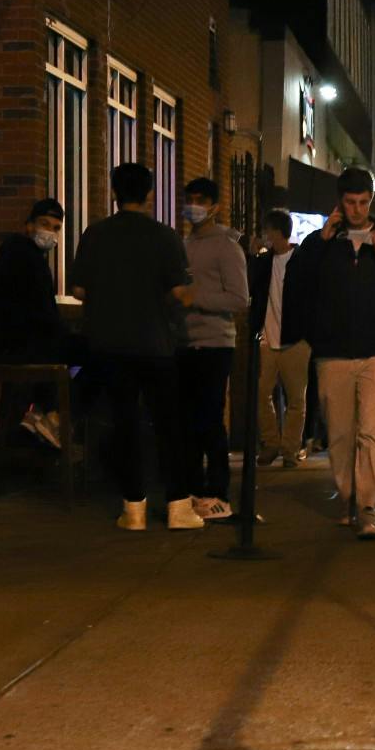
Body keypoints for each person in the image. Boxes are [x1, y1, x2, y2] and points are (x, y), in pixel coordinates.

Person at [70, 162, 201, 531]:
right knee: (167, 424)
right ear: (149, 195)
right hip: (156, 344)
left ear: (114, 192)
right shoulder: (165, 237)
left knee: (124, 423)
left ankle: (133, 509)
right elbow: (181, 293)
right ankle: (178, 506)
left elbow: (78, 290)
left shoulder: (95, 235)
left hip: (109, 344)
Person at [291, 167, 375, 540]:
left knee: (373, 431)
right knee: (341, 433)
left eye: (363, 202)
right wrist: (321, 241)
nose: (357, 209)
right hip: (333, 352)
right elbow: (297, 282)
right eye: (350, 202)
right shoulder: (322, 241)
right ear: (340, 201)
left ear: (371, 201)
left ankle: (367, 506)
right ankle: (350, 498)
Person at [0, 198, 86, 450]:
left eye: (55, 228)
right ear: (29, 226)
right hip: (21, 347)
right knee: (92, 355)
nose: (50, 232)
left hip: (10, 343)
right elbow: (44, 317)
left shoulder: (14, 255)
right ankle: (54, 416)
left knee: (73, 354)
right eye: (44, 224)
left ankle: (40, 413)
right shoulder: (30, 261)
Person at [177, 178, 249, 521]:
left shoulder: (226, 246)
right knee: (187, 421)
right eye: (190, 199)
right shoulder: (182, 244)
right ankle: (192, 489)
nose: (194, 206)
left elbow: (239, 298)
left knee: (209, 419)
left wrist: (196, 298)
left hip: (215, 343)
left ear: (215, 206)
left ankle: (218, 492)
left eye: (201, 200)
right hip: (183, 342)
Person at [249, 209, 314, 468]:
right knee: (261, 393)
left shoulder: (301, 261)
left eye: (267, 230)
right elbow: (250, 286)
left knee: (296, 399)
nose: (264, 235)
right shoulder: (264, 262)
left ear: (277, 232)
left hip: (295, 341)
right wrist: (253, 256)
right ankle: (271, 443)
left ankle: (289, 449)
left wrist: (308, 335)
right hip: (267, 338)